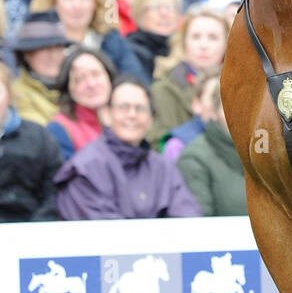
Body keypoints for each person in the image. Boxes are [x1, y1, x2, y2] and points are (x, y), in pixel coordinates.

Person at [54, 75, 202, 220]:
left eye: (140, 108)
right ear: (106, 114)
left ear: (151, 119)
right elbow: (101, 232)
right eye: (124, 107)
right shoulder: (85, 168)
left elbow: (188, 219)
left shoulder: (163, 168)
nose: (132, 115)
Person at [150, 6, 230, 146]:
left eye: (213, 38)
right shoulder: (163, 89)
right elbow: (159, 142)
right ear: (183, 42)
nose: (204, 45)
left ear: (226, 43)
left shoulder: (240, 87)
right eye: (196, 37)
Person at [0, 60, 62, 221]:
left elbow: (55, 190)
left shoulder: (39, 137)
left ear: (9, 94)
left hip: (33, 232)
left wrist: (34, 233)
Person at [177, 73, 247, 215]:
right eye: (229, 105)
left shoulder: (267, 152)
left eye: (247, 104)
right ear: (214, 112)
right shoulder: (194, 158)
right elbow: (199, 224)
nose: (240, 113)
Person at [46, 45, 116, 160]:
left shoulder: (125, 116)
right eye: (79, 79)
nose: (91, 84)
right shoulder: (59, 129)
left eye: (96, 74)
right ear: (68, 87)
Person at [11, 9, 70, 123]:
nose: (53, 55)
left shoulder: (76, 86)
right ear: (26, 54)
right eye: (44, 48)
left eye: (58, 47)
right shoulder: (18, 95)